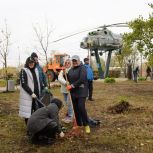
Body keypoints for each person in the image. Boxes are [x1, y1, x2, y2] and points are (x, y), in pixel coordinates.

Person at [67, 55, 90, 134]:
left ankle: (86, 124)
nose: (74, 62)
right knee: (75, 109)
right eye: (73, 61)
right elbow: (68, 79)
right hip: (73, 92)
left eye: (75, 61)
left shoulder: (82, 68)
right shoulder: (70, 70)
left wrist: (72, 85)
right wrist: (63, 75)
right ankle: (79, 124)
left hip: (82, 91)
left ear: (79, 61)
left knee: (81, 107)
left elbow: (82, 79)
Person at [19, 57, 41, 125]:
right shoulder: (24, 70)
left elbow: (37, 82)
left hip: (36, 95)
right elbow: (23, 84)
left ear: (34, 63)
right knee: (28, 112)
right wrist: (31, 93)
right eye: (30, 62)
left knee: (37, 111)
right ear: (27, 63)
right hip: (28, 95)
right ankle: (29, 128)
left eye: (32, 62)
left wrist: (43, 87)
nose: (31, 64)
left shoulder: (36, 70)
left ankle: (35, 125)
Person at [58, 58, 73, 123]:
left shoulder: (72, 70)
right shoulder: (62, 70)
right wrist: (65, 83)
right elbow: (59, 78)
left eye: (68, 63)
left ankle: (70, 116)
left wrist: (70, 84)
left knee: (69, 103)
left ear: (70, 63)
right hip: (64, 90)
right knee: (66, 103)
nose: (67, 64)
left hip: (70, 90)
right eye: (66, 63)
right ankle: (69, 114)